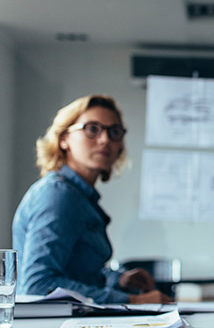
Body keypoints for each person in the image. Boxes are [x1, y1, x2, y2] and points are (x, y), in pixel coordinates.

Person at [13, 95, 172, 304]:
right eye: (92, 129)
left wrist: (120, 280)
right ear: (64, 139)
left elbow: (77, 275)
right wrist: (132, 300)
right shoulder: (58, 194)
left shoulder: (80, 197)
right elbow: (39, 286)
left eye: (114, 132)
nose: (105, 139)